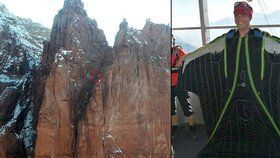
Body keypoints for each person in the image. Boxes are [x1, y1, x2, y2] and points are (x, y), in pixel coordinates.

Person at [177, 1, 280, 157]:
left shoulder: (261, 38)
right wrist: (186, 58)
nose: (239, 18)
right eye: (236, 14)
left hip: (258, 96)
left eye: (243, 14)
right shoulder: (228, 39)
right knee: (226, 125)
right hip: (232, 95)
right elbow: (207, 49)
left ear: (250, 17)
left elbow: (277, 44)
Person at [171, 35, 197, 142]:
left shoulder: (178, 51)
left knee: (187, 107)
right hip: (169, 86)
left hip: (180, 84)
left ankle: (192, 129)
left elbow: (187, 62)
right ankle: (174, 129)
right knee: (171, 109)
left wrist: (178, 64)